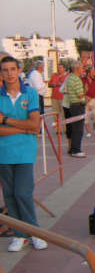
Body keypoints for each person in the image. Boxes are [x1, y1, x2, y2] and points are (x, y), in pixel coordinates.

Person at [0, 56, 47, 251]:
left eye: (12, 69)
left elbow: (35, 125)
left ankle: (34, 232)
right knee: (10, 195)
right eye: (5, 70)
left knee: (23, 192)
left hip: (25, 152)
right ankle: (19, 234)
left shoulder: (30, 93)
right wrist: (23, 127)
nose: (9, 73)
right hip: (4, 152)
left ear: (19, 70)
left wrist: (6, 120)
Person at [64, 62, 86, 157]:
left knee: (74, 128)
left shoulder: (69, 77)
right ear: (77, 69)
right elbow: (80, 95)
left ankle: (72, 148)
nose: (83, 70)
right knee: (78, 129)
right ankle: (76, 150)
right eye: (81, 68)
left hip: (72, 105)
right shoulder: (76, 79)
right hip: (78, 105)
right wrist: (85, 92)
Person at [48, 62, 68, 133]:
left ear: (64, 68)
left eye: (60, 67)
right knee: (55, 114)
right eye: (58, 67)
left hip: (64, 97)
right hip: (54, 97)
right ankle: (58, 130)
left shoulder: (67, 75)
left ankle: (65, 129)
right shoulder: (54, 75)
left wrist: (62, 84)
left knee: (64, 114)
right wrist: (54, 84)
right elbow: (49, 84)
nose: (59, 69)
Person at [82, 67, 95, 137]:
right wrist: (85, 97)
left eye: (94, 72)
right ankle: (88, 132)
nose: (94, 74)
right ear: (88, 73)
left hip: (93, 99)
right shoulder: (83, 80)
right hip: (85, 100)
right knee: (85, 117)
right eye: (93, 73)